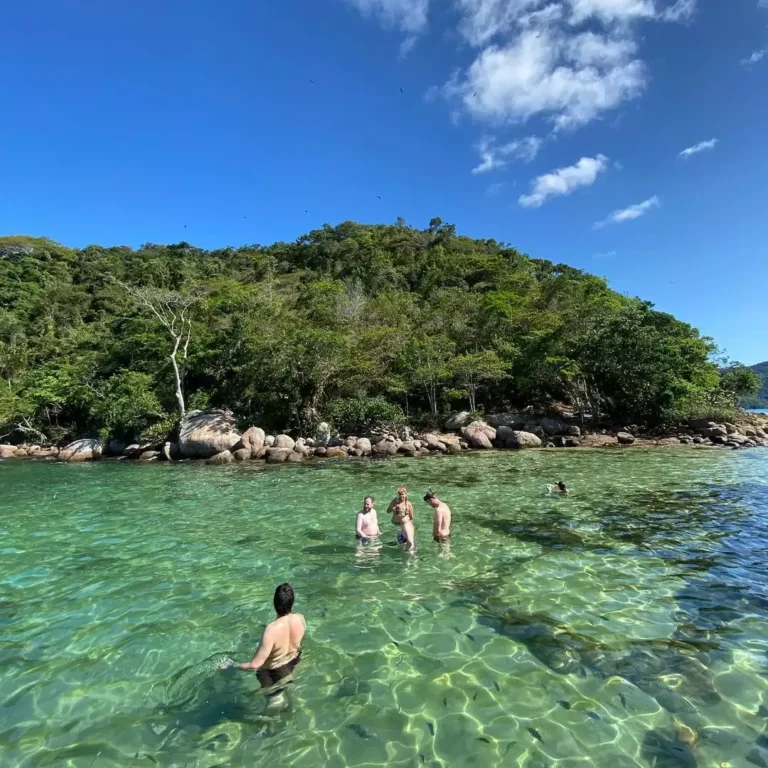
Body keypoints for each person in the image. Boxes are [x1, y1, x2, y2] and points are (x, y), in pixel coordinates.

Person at [222, 583, 305, 690]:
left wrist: (231, 666)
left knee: (274, 703)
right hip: (293, 663)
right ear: (292, 603)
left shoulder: (271, 630)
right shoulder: (300, 619)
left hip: (271, 672)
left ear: (274, 603)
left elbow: (254, 665)